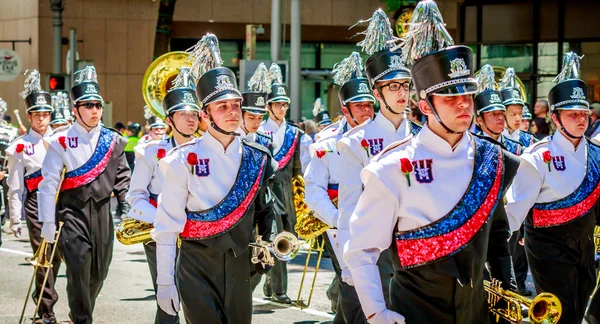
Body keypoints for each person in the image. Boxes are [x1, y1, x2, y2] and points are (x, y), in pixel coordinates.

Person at [344, 1, 519, 323]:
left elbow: (497, 235)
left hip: (476, 310)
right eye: (450, 98)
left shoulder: (494, 159)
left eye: (467, 96)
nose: (463, 105)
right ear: (425, 106)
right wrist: (375, 312)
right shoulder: (391, 166)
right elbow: (362, 249)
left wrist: (510, 292)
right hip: (414, 309)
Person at [152, 34, 276, 324]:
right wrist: (164, 282)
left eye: (235, 105)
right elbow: (167, 226)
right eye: (222, 107)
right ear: (205, 115)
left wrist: (266, 247)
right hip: (196, 264)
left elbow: (265, 210)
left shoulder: (258, 157)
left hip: (240, 264)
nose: (232, 112)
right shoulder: (180, 159)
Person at [337, 9, 421, 315]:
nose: (402, 93)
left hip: (419, 251)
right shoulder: (354, 142)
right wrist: (350, 260)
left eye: (406, 85)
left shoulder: (425, 137)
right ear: (376, 92)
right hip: (374, 251)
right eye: (393, 86)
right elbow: (349, 207)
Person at [506, 52, 597, 324]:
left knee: (581, 307)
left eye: (584, 114)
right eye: (572, 115)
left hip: (585, 244)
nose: (581, 120)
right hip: (547, 246)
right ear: (555, 119)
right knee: (561, 314)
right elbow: (512, 211)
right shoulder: (536, 157)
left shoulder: (597, 154)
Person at [37, 66, 131, 324]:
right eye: (88, 106)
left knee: (98, 273)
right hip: (71, 214)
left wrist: (127, 207)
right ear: (75, 109)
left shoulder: (113, 140)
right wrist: (47, 222)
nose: (94, 111)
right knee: (78, 270)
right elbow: (48, 184)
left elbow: (123, 177)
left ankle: (80, 311)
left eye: (98, 106)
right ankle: (82, 319)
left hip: (102, 214)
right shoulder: (60, 141)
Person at [305, 51, 375, 324]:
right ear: (345, 110)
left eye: (369, 104)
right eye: (359, 106)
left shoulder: (387, 136)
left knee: (371, 290)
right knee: (352, 285)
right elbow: (314, 189)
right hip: (339, 227)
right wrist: (338, 221)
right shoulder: (326, 142)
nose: (366, 110)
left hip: (378, 224)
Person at [126, 67, 201, 324]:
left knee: (197, 297)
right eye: (183, 114)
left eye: (195, 114)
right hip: (158, 233)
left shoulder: (207, 150)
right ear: (169, 120)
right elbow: (135, 199)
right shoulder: (149, 152)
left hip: (197, 233)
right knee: (168, 299)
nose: (191, 119)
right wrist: (164, 218)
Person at [6, 70, 60, 324]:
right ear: (29, 116)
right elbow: (15, 187)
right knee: (44, 256)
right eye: (37, 114)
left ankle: (44, 297)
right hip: (36, 203)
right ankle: (46, 311)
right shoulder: (20, 146)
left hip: (61, 202)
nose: (42, 119)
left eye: (45, 114)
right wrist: (15, 219)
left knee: (60, 255)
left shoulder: (61, 139)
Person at [257, 63, 304, 304]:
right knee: (276, 236)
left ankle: (270, 281)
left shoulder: (295, 133)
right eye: (278, 104)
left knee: (288, 238)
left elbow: (298, 169)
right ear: (268, 107)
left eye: (285, 104)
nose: (282, 108)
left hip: (287, 192)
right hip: (267, 191)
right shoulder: (260, 131)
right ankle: (279, 290)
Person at [474, 64, 523, 156]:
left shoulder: (518, 149)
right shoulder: (471, 148)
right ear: (480, 120)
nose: (500, 117)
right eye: (494, 113)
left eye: (502, 113)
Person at [500, 68, 537, 147]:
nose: (518, 119)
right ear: (503, 114)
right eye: (513, 114)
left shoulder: (530, 140)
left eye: (520, 114)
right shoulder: (493, 140)